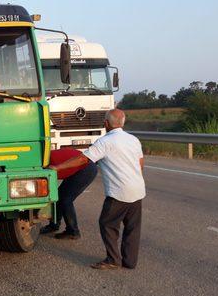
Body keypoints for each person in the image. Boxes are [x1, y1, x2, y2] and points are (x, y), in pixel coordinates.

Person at [49, 109, 146, 269]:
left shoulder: (105, 142)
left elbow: (82, 160)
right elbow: (140, 163)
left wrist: (57, 168)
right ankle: (129, 262)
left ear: (106, 123)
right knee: (132, 228)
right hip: (137, 190)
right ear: (123, 123)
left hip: (119, 193)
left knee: (107, 224)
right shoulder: (133, 139)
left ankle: (113, 259)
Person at [41, 147, 98, 239]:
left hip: (85, 168)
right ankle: (53, 225)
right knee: (58, 196)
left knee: (65, 200)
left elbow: (47, 191)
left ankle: (73, 231)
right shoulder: (44, 158)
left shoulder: (46, 165)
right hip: (77, 166)